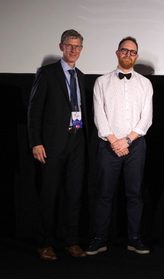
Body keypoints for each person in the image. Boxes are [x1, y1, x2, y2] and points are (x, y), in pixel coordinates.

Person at [86, 36, 153, 255]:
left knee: (134, 194)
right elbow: (99, 116)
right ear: (117, 53)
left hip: (135, 146)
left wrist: (127, 140)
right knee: (105, 194)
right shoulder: (101, 82)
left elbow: (146, 119)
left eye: (132, 52)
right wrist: (115, 141)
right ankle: (99, 239)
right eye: (124, 50)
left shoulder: (145, 83)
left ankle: (134, 239)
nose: (128, 54)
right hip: (108, 146)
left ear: (136, 56)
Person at [28, 29, 88, 260]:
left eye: (77, 46)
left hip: (77, 142)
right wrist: (36, 142)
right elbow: (34, 111)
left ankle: (71, 241)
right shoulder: (47, 73)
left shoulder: (81, 76)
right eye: (69, 45)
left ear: (81, 49)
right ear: (61, 46)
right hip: (52, 144)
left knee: (73, 194)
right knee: (49, 194)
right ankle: (45, 243)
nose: (73, 50)